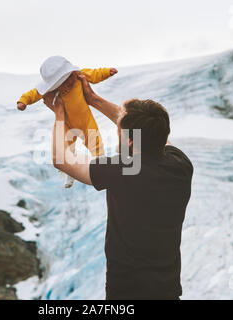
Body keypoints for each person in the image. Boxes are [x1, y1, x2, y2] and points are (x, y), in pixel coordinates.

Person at [42, 73, 194, 300]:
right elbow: (146, 131)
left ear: (130, 141)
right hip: (167, 292)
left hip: (126, 293)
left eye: (119, 131)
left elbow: (61, 159)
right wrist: (93, 99)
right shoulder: (179, 164)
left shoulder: (120, 169)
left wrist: (59, 114)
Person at [17, 55, 118, 187]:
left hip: (85, 119)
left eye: (70, 77)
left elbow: (95, 74)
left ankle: (100, 158)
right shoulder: (48, 90)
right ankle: (70, 173)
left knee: (93, 137)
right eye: (63, 83)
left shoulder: (79, 76)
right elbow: (33, 94)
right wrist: (23, 101)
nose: (69, 82)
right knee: (65, 148)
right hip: (66, 124)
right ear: (54, 85)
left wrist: (107, 72)